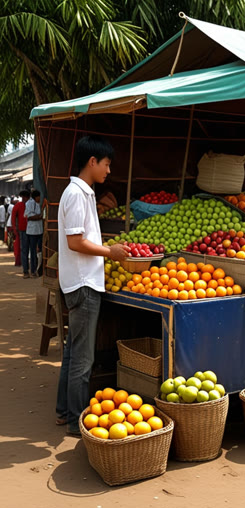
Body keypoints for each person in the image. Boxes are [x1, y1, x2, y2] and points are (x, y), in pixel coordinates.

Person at [56, 135, 130, 436]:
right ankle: (76, 420)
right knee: (83, 360)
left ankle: (64, 412)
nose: (108, 171)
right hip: (83, 285)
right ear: (92, 162)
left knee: (73, 353)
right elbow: (76, 242)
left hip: (82, 281)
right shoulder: (76, 193)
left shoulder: (83, 193)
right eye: (106, 164)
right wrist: (109, 252)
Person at [24, 189, 44, 278]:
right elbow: (29, 216)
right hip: (32, 231)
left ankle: (38, 269)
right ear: (36, 197)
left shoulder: (39, 204)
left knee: (39, 250)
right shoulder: (29, 203)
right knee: (32, 251)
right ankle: (33, 270)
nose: (39, 199)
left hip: (40, 230)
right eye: (39, 197)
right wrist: (39, 216)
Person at [12, 190, 31, 277]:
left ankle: (28, 270)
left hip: (27, 230)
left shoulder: (22, 205)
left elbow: (13, 218)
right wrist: (15, 230)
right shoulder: (19, 205)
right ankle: (26, 270)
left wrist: (15, 229)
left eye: (24, 197)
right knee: (26, 250)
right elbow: (13, 218)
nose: (23, 199)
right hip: (24, 230)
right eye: (22, 197)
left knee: (26, 250)